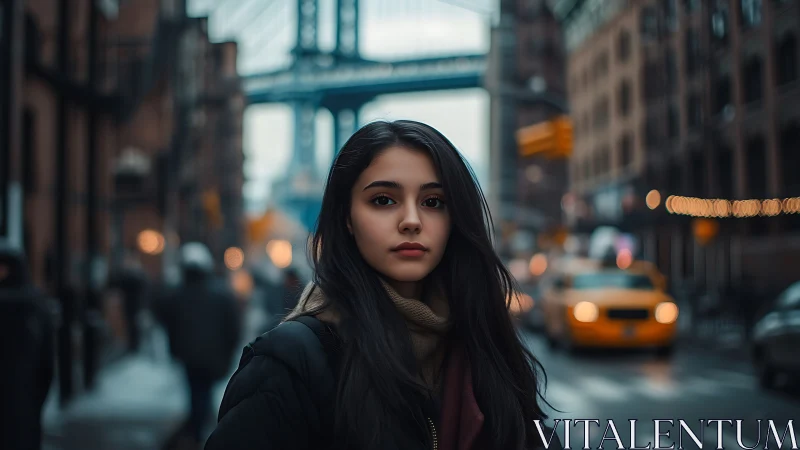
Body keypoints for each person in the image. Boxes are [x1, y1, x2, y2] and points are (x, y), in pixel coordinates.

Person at [205, 120, 558, 450]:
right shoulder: (290, 365)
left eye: (433, 202)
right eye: (383, 200)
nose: (411, 221)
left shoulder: (488, 344)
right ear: (347, 218)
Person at [155, 242, 241, 447]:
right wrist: (228, 352)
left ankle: (198, 430)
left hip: (189, 356)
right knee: (202, 392)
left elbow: (165, 318)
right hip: (212, 356)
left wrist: (175, 347)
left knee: (197, 392)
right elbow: (233, 328)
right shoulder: (221, 294)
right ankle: (201, 429)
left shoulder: (177, 294)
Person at [0, 243, 55, 450]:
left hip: (22, 396)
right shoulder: (35, 304)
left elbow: (46, 362)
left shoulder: (32, 305)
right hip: (24, 399)